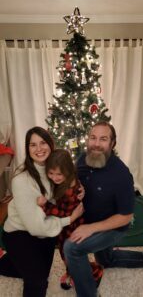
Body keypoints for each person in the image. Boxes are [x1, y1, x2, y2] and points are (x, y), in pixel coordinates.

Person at [63, 121, 143, 297]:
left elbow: (125, 217)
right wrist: (78, 188)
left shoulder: (121, 175)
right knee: (105, 259)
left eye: (103, 139)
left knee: (72, 248)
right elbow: (75, 181)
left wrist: (90, 229)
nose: (96, 144)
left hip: (112, 226)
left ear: (112, 144)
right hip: (88, 218)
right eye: (93, 138)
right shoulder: (82, 159)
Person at [0, 126, 83, 297]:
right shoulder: (22, 180)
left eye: (43, 142)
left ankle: (7, 261)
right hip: (20, 232)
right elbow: (37, 227)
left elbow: (71, 176)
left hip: (46, 230)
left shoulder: (54, 167)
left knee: (33, 271)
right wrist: (70, 219)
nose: (39, 149)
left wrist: (81, 189)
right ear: (27, 149)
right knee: (38, 281)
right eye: (33, 145)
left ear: (51, 144)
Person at [37, 149, 103, 290]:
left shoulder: (71, 189)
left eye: (59, 174)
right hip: (65, 227)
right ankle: (71, 272)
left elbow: (64, 213)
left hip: (72, 228)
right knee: (65, 255)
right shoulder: (66, 180)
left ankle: (95, 272)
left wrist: (45, 205)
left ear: (67, 171)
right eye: (51, 173)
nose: (54, 178)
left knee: (70, 256)